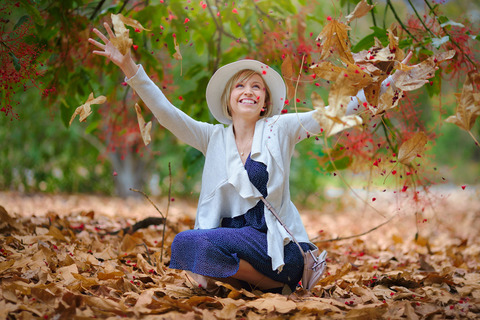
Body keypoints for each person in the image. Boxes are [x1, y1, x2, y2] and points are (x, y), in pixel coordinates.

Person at [89, 22, 415, 294]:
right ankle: (256, 284)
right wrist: (129, 67)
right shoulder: (211, 137)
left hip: (279, 249)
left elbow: (334, 113)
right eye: (240, 86)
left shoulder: (280, 128)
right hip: (231, 240)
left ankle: (276, 284)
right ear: (229, 101)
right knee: (185, 245)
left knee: (198, 248)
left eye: (257, 87)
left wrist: (389, 83)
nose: (249, 90)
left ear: (264, 102)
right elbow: (165, 113)